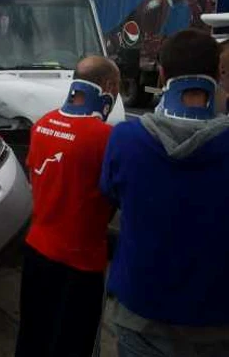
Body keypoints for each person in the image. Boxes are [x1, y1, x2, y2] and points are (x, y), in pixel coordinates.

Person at [101, 29, 229, 357]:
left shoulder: (125, 139)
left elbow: (111, 196)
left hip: (141, 310)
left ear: (161, 74)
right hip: (216, 315)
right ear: (217, 75)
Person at [15, 56, 120, 357]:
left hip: (37, 250)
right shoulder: (106, 137)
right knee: (73, 344)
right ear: (109, 87)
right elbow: (116, 193)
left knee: (32, 335)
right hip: (80, 261)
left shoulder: (41, 125)